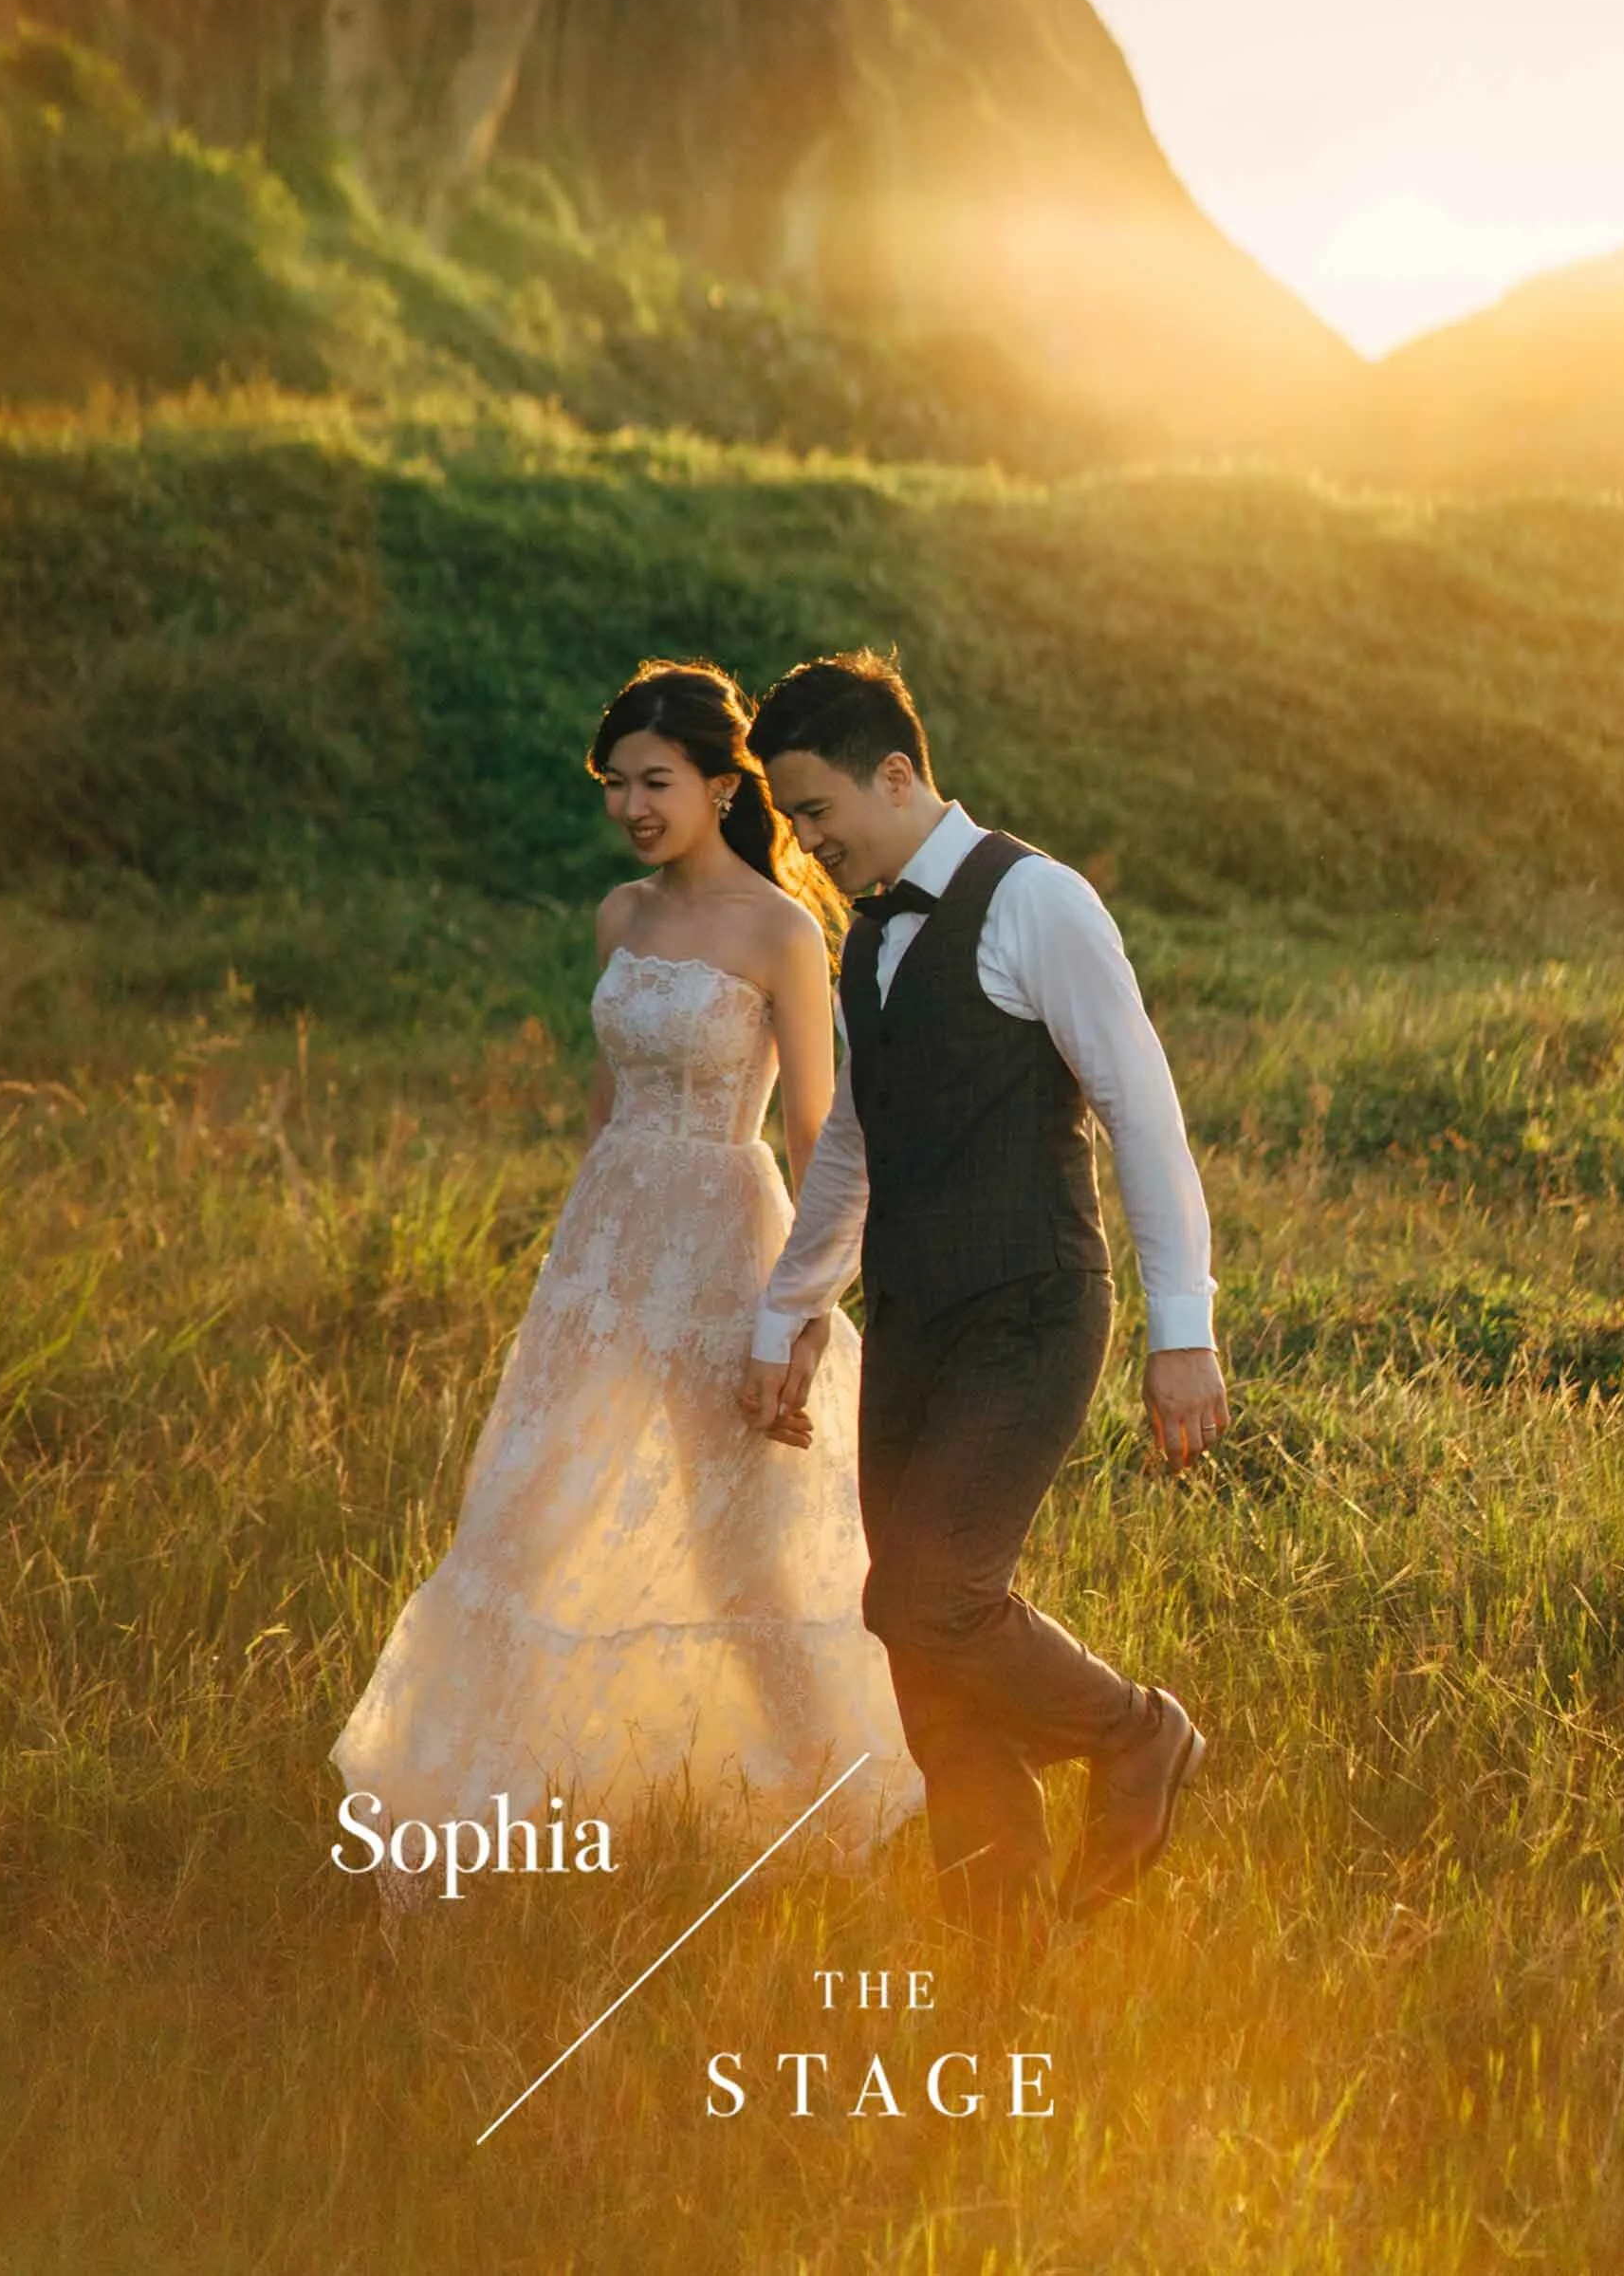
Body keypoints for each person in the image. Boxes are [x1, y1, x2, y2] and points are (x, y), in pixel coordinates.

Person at [332, 660, 921, 1885]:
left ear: (721, 782)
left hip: (724, 1241)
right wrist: (571, 1263)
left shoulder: (782, 929)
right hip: (605, 1255)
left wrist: (807, 1301)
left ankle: (832, 1804)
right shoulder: (620, 913)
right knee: (529, 1516)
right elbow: (605, 1107)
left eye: (655, 780)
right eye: (615, 783)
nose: (632, 805)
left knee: (740, 1547)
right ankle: (472, 1811)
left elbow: (817, 1127)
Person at [739, 649, 1228, 1940]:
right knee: (919, 1651)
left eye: (816, 810)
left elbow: (1144, 1113)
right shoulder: (869, 935)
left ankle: (1137, 1734)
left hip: (1031, 1304)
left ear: (895, 774)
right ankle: (1004, 1944)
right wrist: (793, 1308)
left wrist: (1184, 1334)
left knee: (926, 1593)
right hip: (909, 1319)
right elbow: (854, 1138)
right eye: (792, 819)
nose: (808, 839)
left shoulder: (1040, 902)